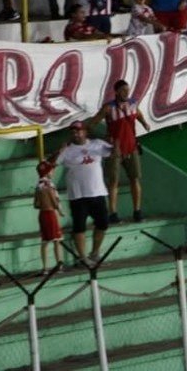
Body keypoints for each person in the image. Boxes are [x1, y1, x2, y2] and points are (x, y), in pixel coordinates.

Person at [53, 122, 112, 265]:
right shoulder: (68, 150)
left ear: (85, 131)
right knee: (79, 226)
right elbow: (53, 163)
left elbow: (113, 152)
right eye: (73, 132)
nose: (76, 134)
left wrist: (116, 141)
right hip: (78, 194)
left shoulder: (97, 144)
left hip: (97, 191)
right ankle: (82, 257)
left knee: (103, 223)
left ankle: (95, 252)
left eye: (79, 131)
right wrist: (60, 150)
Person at [98, 80, 147, 223]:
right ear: (117, 91)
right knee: (113, 181)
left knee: (135, 178)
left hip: (131, 148)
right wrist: (84, 129)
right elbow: (95, 120)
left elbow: (138, 114)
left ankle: (137, 211)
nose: (126, 93)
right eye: (123, 90)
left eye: (128, 90)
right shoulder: (108, 108)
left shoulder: (133, 104)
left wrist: (144, 123)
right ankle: (113, 213)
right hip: (115, 150)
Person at [33, 161, 64, 271]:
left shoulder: (38, 185)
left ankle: (45, 267)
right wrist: (60, 210)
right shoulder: (49, 184)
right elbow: (54, 199)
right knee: (57, 239)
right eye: (51, 170)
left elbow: (36, 204)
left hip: (42, 213)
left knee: (45, 241)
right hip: (50, 213)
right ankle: (59, 264)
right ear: (47, 172)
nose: (53, 171)